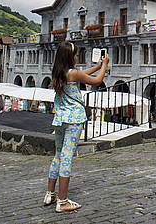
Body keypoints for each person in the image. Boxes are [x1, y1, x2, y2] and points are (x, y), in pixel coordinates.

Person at [43, 41, 108, 213]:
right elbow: (97, 81)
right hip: (74, 120)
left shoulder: (59, 72)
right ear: (71, 57)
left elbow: (81, 74)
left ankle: (50, 193)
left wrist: (96, 66)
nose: (78, 57)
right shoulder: (73, 73)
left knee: (58, 155)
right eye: (77, 54)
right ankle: (63, 201)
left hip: (60, 119)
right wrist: (104, 66)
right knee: (67, 157)